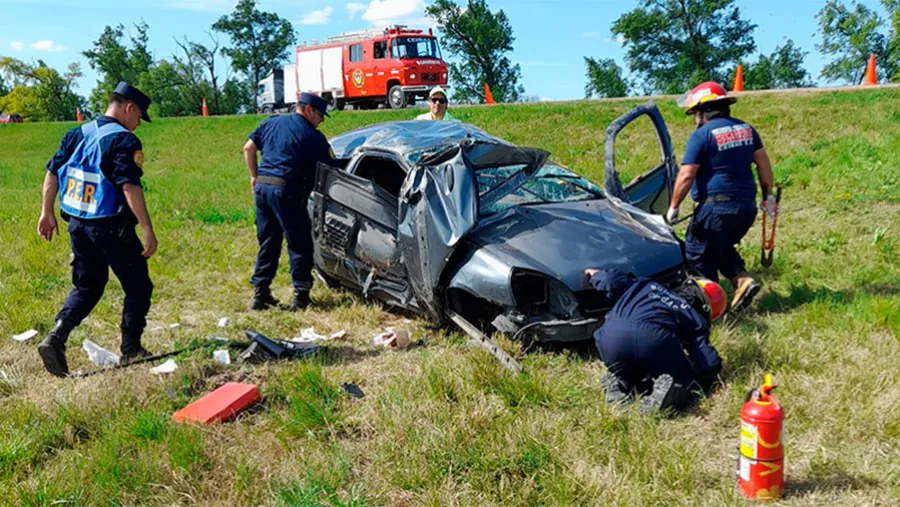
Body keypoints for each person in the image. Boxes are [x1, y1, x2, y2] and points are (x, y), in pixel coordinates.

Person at [36, 82, 157, 377]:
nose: (139, 123)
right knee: (138, 286)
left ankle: (56, 336)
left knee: (87, 286)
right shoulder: (124, 141)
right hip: (110, 227)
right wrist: (147, 228)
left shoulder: (78, 133)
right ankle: (131, 349)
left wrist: (46, 212)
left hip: (77, 225)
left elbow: (52, 172)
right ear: (128, 108)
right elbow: (129, 185)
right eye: (140, 116)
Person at [666, 82, 776, 313]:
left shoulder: (702, 135)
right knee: (720, 245)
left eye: (694, 112)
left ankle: (709, 308)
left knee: (697, 254)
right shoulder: (747, 130)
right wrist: (768, 196)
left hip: (716, 207)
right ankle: (742, 281)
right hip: (746, 207)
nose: (694, 118)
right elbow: (763, 165)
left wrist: (673, 208)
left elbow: (686, 175)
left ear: (703, 111)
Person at [585, 268, 725, 414]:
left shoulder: (647, 285)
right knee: (686, 382)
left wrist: (595, 275)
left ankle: (622, 384)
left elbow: (611, 281)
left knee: (634, 374)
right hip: (652, 339)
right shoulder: (695, 318)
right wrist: (712, 378)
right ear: (706, 310)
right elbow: (707, 362)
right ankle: (668, 396)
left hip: (608, 339)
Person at [244, 92, 334, 311]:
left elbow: (248, 148)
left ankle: (260, 293)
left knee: (268, 241)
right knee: (299, 242)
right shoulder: (312, 136)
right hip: (287, 191)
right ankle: (301, 296)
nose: (321, 120)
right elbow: (331, 168)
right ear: (308, 110)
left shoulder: (270, 123)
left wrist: (254, 176)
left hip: (263, 189)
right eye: (320, 115)